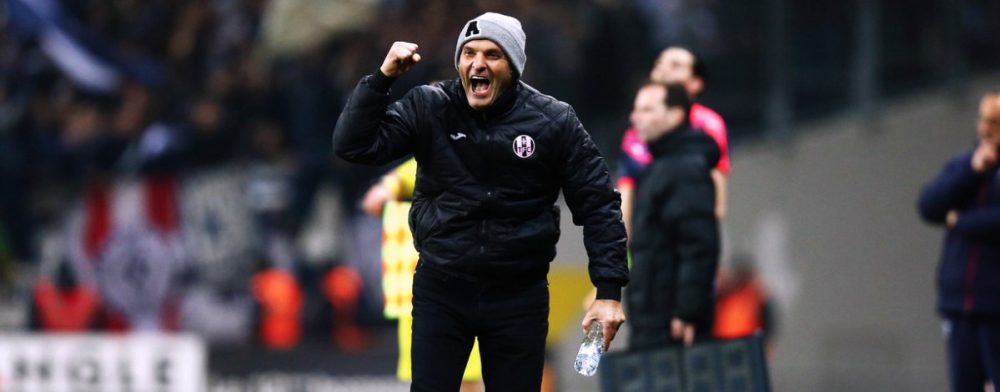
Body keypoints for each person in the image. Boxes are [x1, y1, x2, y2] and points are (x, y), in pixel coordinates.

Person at [332, 12, 629, 391]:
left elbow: (599, 204)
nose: (477, 63)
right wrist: (382, 80)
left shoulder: (554, 121)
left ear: (514, 66)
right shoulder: (429, 106)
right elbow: (353, 145)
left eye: (492, 54)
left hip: (519, 295)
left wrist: (608, 292)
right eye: (468, 53)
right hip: (442, 289)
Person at [361, 157, 484, 392]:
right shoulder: (434, 144)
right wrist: (387, 186)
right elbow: (405, 175)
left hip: (468, 279)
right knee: (423, 375)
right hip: (419, 283)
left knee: (466, 378)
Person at [625, 82, 720, 349]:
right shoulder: (662, 167)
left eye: (646, 109)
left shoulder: (683, 169)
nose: (635, 117)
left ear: (676, 115)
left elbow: (699, 245)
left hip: (670, 327)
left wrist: (687, 312)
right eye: (635, 109)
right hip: (655, 320)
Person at [918, 91, 1000, 392]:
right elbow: (929, 205)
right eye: (983, 120)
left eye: (993, 122)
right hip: (959, 303)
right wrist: (973, 171)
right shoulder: (964, 164)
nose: (985, 129)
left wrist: (960, 222)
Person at [618, 46, 729, 237]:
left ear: (696, 83)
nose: (663, 69)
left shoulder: (709, 125)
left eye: (675, 65)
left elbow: (717, 195)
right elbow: (626, 185)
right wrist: (622, 235)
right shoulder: (636, 132)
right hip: (642, 241)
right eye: (659, 63)